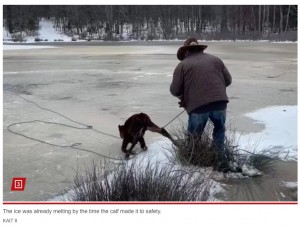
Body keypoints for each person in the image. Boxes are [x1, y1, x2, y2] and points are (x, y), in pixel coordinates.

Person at [170, 37, 232, 171]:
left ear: (186, 51)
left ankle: (194, 166)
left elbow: (174, 90)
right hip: (220, 103)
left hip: (198, 107)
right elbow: (228, 80)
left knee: (194, 137)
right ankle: (219, 161)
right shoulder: (216, 60)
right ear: (199, 48)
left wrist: (184, 97)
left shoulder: (182, 65)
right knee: (219, 129)